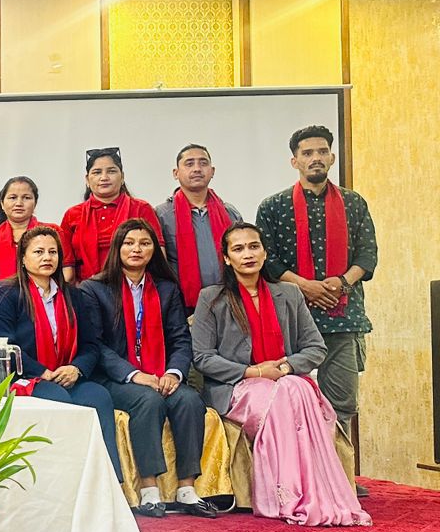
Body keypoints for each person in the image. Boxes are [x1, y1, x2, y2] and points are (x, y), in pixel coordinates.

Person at [191, 224, 368, 527]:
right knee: (290, 392)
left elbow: (315, 347)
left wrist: (284, 368)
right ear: (227, 258)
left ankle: (312, 495)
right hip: (237, 386)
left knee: (293, 388)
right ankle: (289, 496)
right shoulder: (212, 297)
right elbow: (203, 358)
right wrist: (255, 371)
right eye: (238, 249)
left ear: (264, 253)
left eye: (254, 246)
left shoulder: (288, 294)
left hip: (285, 379)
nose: (248, 254)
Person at [82, 220, 213, 518]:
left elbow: (181, 339)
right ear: (117, 248)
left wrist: (173, 373)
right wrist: (135, 375)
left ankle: (186, 489)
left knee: (189, 400)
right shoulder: (94, 289)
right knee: (148, 400)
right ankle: (149, 489)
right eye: (129, 243)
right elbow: (94, 345)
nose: (136, 249)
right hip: (117, 378)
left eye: (144, 243)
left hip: (161, 374)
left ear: (155, 249)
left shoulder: (167, 290)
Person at [254, 126, 377, 426]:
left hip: (342, 316)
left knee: (342, 405)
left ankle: (337, 458)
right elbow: (268, 262)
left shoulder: (353, 203)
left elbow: (367, 254)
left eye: (322, 151)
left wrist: (343, 282)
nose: (316, 158)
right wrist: (305, 286)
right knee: (288, 405)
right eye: (307, 153)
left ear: (332, 158)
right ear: (294, 161)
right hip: (290, 319)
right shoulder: (273, 207)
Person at [0, 226, 123, 480]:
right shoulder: (5, 294)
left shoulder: (74, 295)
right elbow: (6, 346)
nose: (47, 257)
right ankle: (64, 478)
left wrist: (76, 368)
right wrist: (43, 372)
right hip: (26, 378)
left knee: (99, 396)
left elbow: (91, 344)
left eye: (53, 252)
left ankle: (108, 480)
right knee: (56, 397)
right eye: (38, 252)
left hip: (68, 374)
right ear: (23, 258)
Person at [155, 144, 244, 314]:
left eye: (203, 163)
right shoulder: (161, 215)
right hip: (181, 305)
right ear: (176, 173)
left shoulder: (230, 213)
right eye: (189, 164)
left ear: (212, 171)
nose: (197, 169)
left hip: (231, 300)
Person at [58, 147, 162, 281]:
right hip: (85, 288)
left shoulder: (141, 209)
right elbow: (66, 265)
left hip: (134, 287)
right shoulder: (72, 215)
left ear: (122, 177)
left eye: (111, 171)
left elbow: (159, 256)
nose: (104, 177)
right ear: (87, 180)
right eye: (97, 172)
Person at [0, 176, 70, 303]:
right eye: (13, 197)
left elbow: (67, 272)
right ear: (2, 203)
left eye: (26, 198)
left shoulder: (52, 233)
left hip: (46, 304)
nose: (19, 203)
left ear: (35, 203)